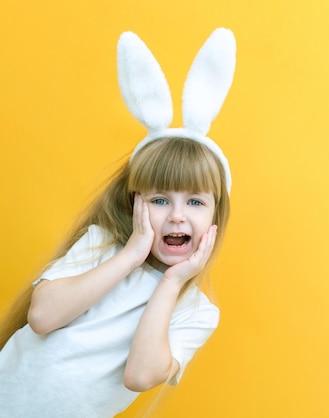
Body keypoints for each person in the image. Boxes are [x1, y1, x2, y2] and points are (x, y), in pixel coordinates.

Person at [0, 27, 236, 418]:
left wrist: (172, 281)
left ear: (215, 216)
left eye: (195, 201)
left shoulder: (196, 311)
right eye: (160, 200)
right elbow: (42, 318)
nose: (177, 215)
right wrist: (130, 255)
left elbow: (140, 375)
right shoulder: (102, 245)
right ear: (134, 204)